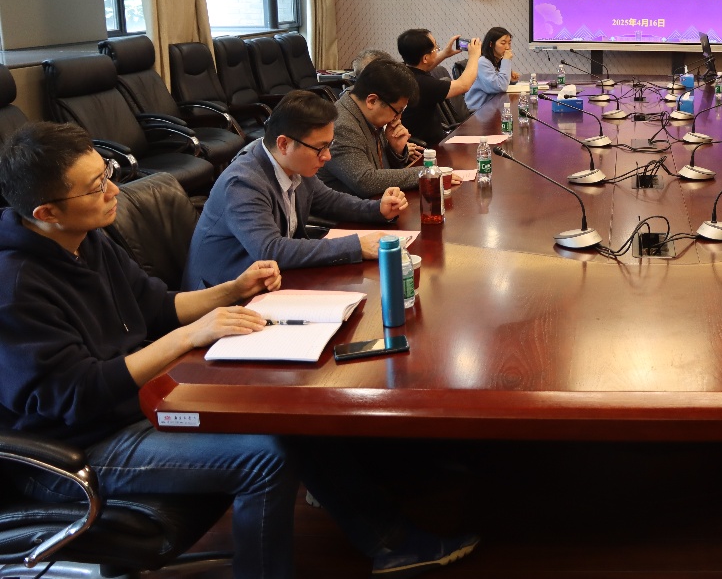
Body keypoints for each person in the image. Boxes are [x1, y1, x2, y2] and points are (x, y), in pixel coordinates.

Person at [0, 122, 480, 578]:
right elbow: (75, 394)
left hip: (137, 404)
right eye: (95, 187)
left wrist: (233, 290)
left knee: (290, 411)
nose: (113, 191)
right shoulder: (16, 287)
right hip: (78, 450)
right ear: (46, 213)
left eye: (106, 174)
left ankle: (390, 542)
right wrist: (189, 336)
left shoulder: (86, 239)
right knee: (264, 459)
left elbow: (156, 305)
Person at [184, 90, 408, 289]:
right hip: (221, 293)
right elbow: (271, 250)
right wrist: (356, 246)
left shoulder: (292, 163)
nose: (327, 156)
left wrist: (377, 209)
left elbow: (328, 200)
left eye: (329, 145)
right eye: (320, 148)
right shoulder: (243, 182)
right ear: (284, 144)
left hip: (271, 281)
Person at [318, 58, 427, 198]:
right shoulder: (341, 126)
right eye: (397, 111)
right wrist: (426, 173)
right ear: (372, 101)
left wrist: (395, 150)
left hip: (378, 202)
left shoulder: (367, 113)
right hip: (350, 208)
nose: (398, 118)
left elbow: (383, 171)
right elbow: (366, 182)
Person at [398, 29, 482, 148]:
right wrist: (474, 56)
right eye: (435, 48)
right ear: (425, 58)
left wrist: (445, 53)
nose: (437, 50)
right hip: (429, 148)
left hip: (430, 139)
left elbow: (423, 66)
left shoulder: (403, 71)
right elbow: (464, 85)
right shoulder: (424, 84)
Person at [464, 27, 520, 112]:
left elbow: (500, 84)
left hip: (492, 106)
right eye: (503, 43)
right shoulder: (482, 62)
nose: (507, 47)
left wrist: (510, 79)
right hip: (478, 111)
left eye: (509, 43)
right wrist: (506, 60)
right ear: (491, 44)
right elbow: (500, 86)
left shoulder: (496, 60)